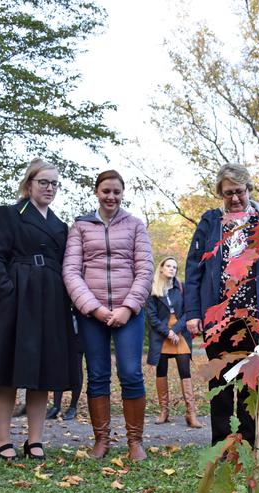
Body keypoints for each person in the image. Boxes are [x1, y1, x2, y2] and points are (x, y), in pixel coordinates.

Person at [0, 158, 80, 461]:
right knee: (6, 370)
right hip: (14, 299)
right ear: (28, 185)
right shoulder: (10, 214)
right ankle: (2, 438)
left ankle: (34, 441)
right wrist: (6, 291)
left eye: (54, 184)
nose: (49, 188)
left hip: (50, 299)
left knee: (43, 372)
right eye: (43, 182)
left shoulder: (60, 225)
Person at [185, 163, 259, 448]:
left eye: (240, 191)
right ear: (220, 194)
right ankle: (222, 443)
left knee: (250, 379)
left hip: (254, 316)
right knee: (221, 380)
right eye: (228, 193)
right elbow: (194, 270)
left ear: (249, 189)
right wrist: (192, 313)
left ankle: (248, 441)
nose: (235, 198)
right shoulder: (210, 221)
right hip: (218, 317)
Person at [63, 170, 154, 460]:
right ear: (97, 193)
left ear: (122, 193)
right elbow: (71, 271)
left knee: (130, 373)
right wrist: (94, 308)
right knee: (98, 375)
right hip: (92, 313)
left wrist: (128, 307)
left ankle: (135, 441)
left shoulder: (136, 225)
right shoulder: (80, 227)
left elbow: (145, 270)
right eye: (105, 191)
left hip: (129, 312)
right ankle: (101, 439)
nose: (111, 196)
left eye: (116, 191)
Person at [146, 257, 202, 428]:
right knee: (161, 371)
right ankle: (164, 411)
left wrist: (175, 330)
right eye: (169, 266)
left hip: (180, 333)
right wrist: (168, 332)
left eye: (175, 267)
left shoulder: (181, 287)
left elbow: (188, 311)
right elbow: (152, 317)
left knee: (185, 371)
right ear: (161, 268)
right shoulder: (153, 290)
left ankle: (191, 413)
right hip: (161, 335)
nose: (172, 269)